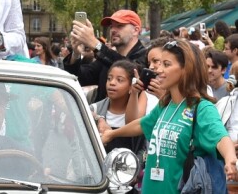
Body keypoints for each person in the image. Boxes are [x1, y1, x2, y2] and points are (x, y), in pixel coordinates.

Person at [100, 39, 238, 194]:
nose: (158, 70)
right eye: (159, 64)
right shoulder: (165, 105)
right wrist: (111, 134)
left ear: (186, 69)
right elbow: (142, 124)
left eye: (166, 64)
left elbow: (220, 137)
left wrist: (230, 158)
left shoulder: (201, 108)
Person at [65, 9, 147, 101]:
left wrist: (95, 44)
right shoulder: (107, 59)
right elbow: (79, 78)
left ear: (136, 30)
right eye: (111, 26)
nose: (113, 30)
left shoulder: (146, 57)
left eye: (120, 26)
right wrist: (76, 54)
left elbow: (130, 68)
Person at [90, 60, 145, 158]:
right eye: (109, 78)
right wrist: (99, 118)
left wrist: (134, 93)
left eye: (120, 80)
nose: (112, 83)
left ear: (130, 86)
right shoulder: (95, 109)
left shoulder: (139, 111)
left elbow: (132, 123)